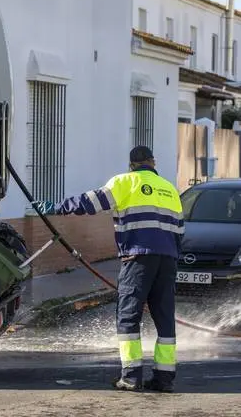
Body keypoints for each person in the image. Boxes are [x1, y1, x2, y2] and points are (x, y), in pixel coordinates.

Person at [32, 146, 184, 392]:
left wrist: (56, 208)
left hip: (137, 258)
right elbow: (179, 233)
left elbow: (90, 202)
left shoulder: (125, 182)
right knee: (165, 319)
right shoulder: (170, 190)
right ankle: (164, 379)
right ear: (153, 163)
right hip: (167, 260)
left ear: (132, 164)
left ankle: (131, 377)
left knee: (128, 316)